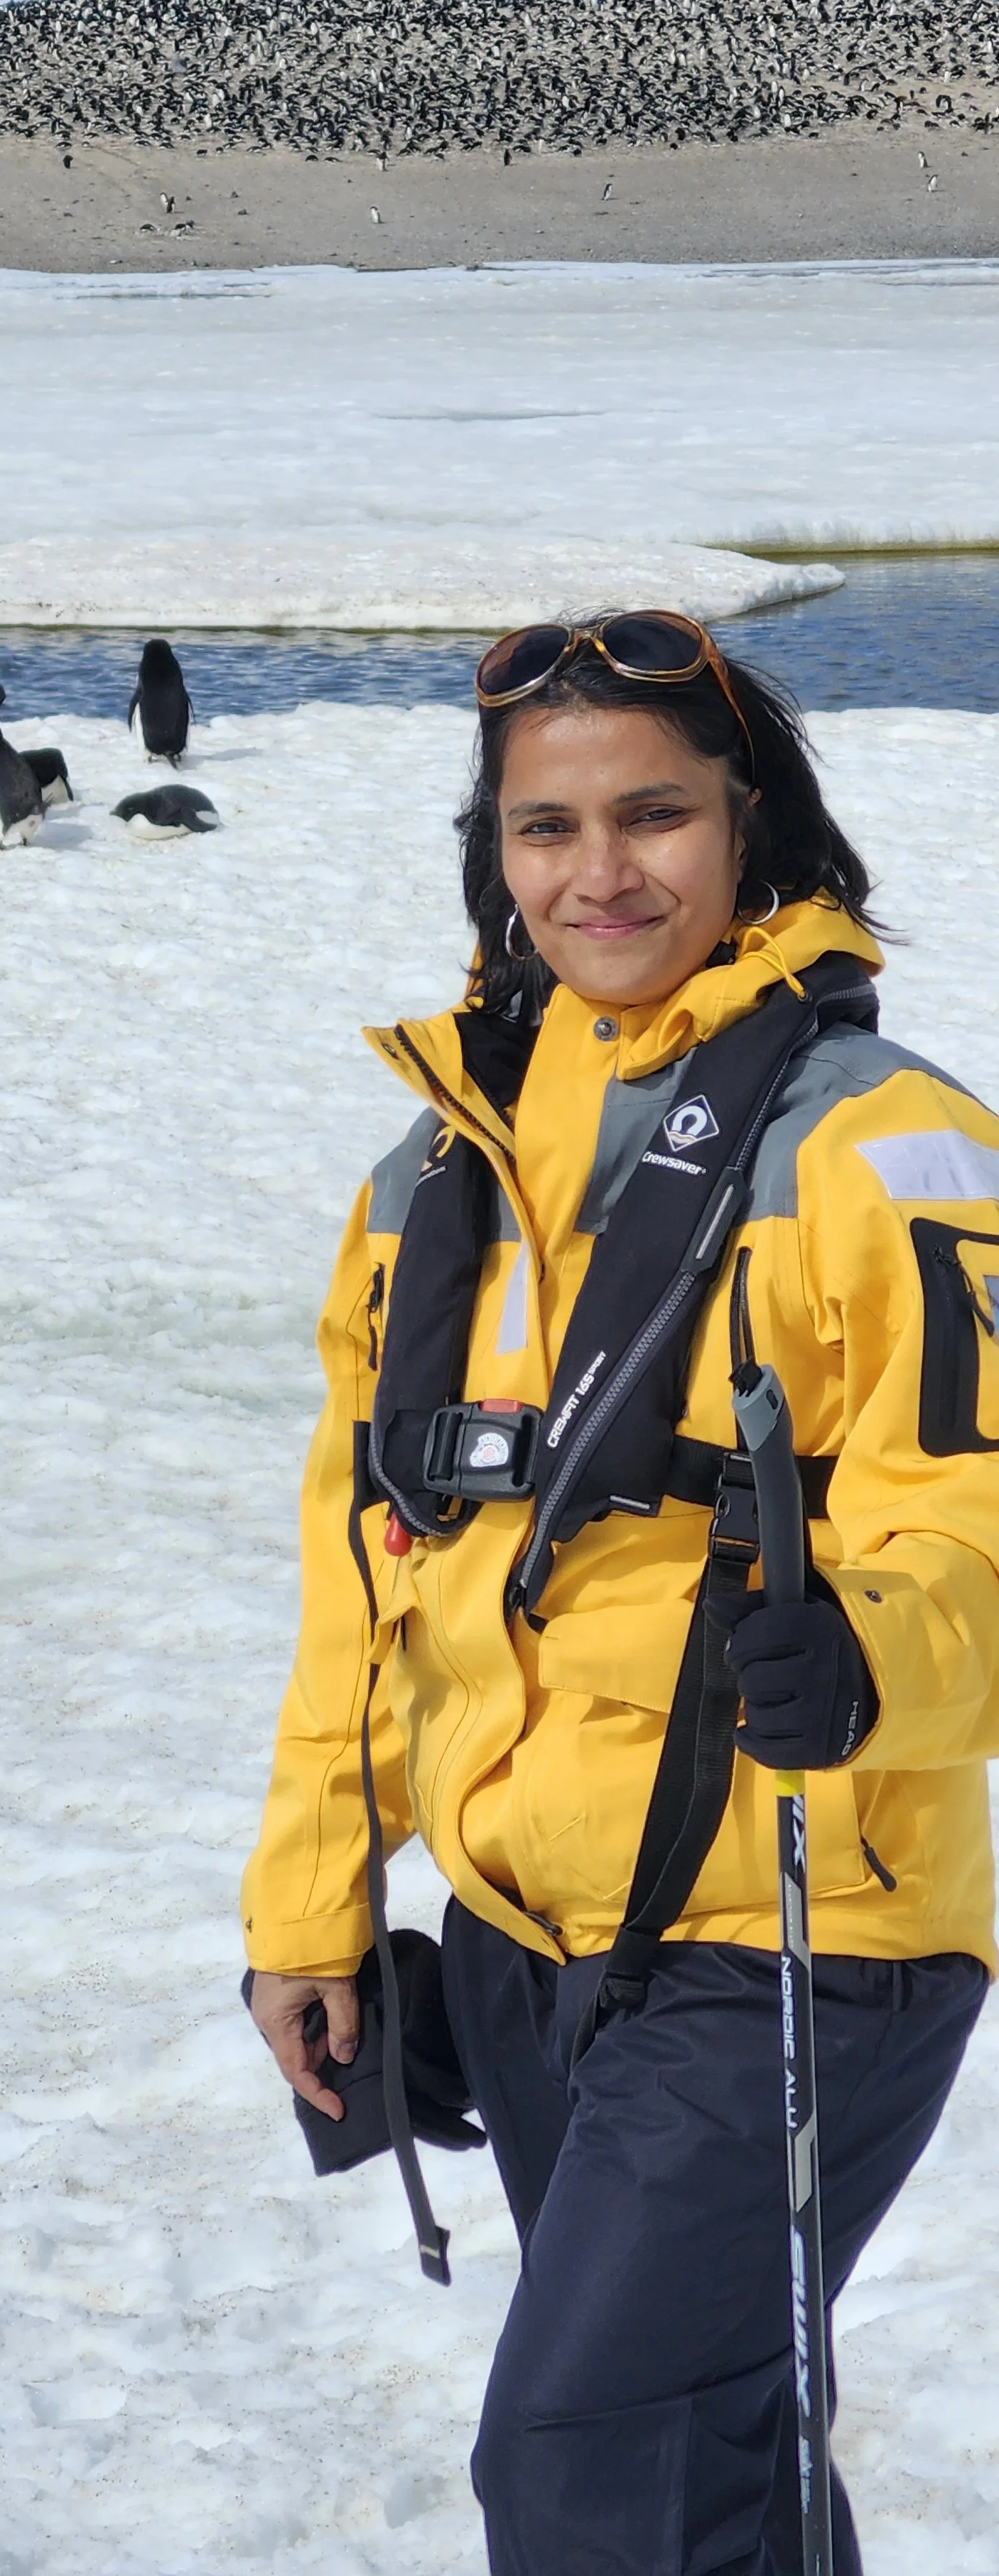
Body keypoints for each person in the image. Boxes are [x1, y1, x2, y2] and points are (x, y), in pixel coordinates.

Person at [244, 615, 998, 2575]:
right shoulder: (434, 1174)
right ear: (487, 856)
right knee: (708, 2456)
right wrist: (311, 1902)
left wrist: (864, 1654)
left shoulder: (879, 1142)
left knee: (592, 2467)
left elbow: (975, 1522)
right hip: (515, 1934)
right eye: (542, 827)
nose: (597, 873)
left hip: (796, 1932)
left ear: (754, 828)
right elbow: (364, 1570)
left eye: (652, 814)